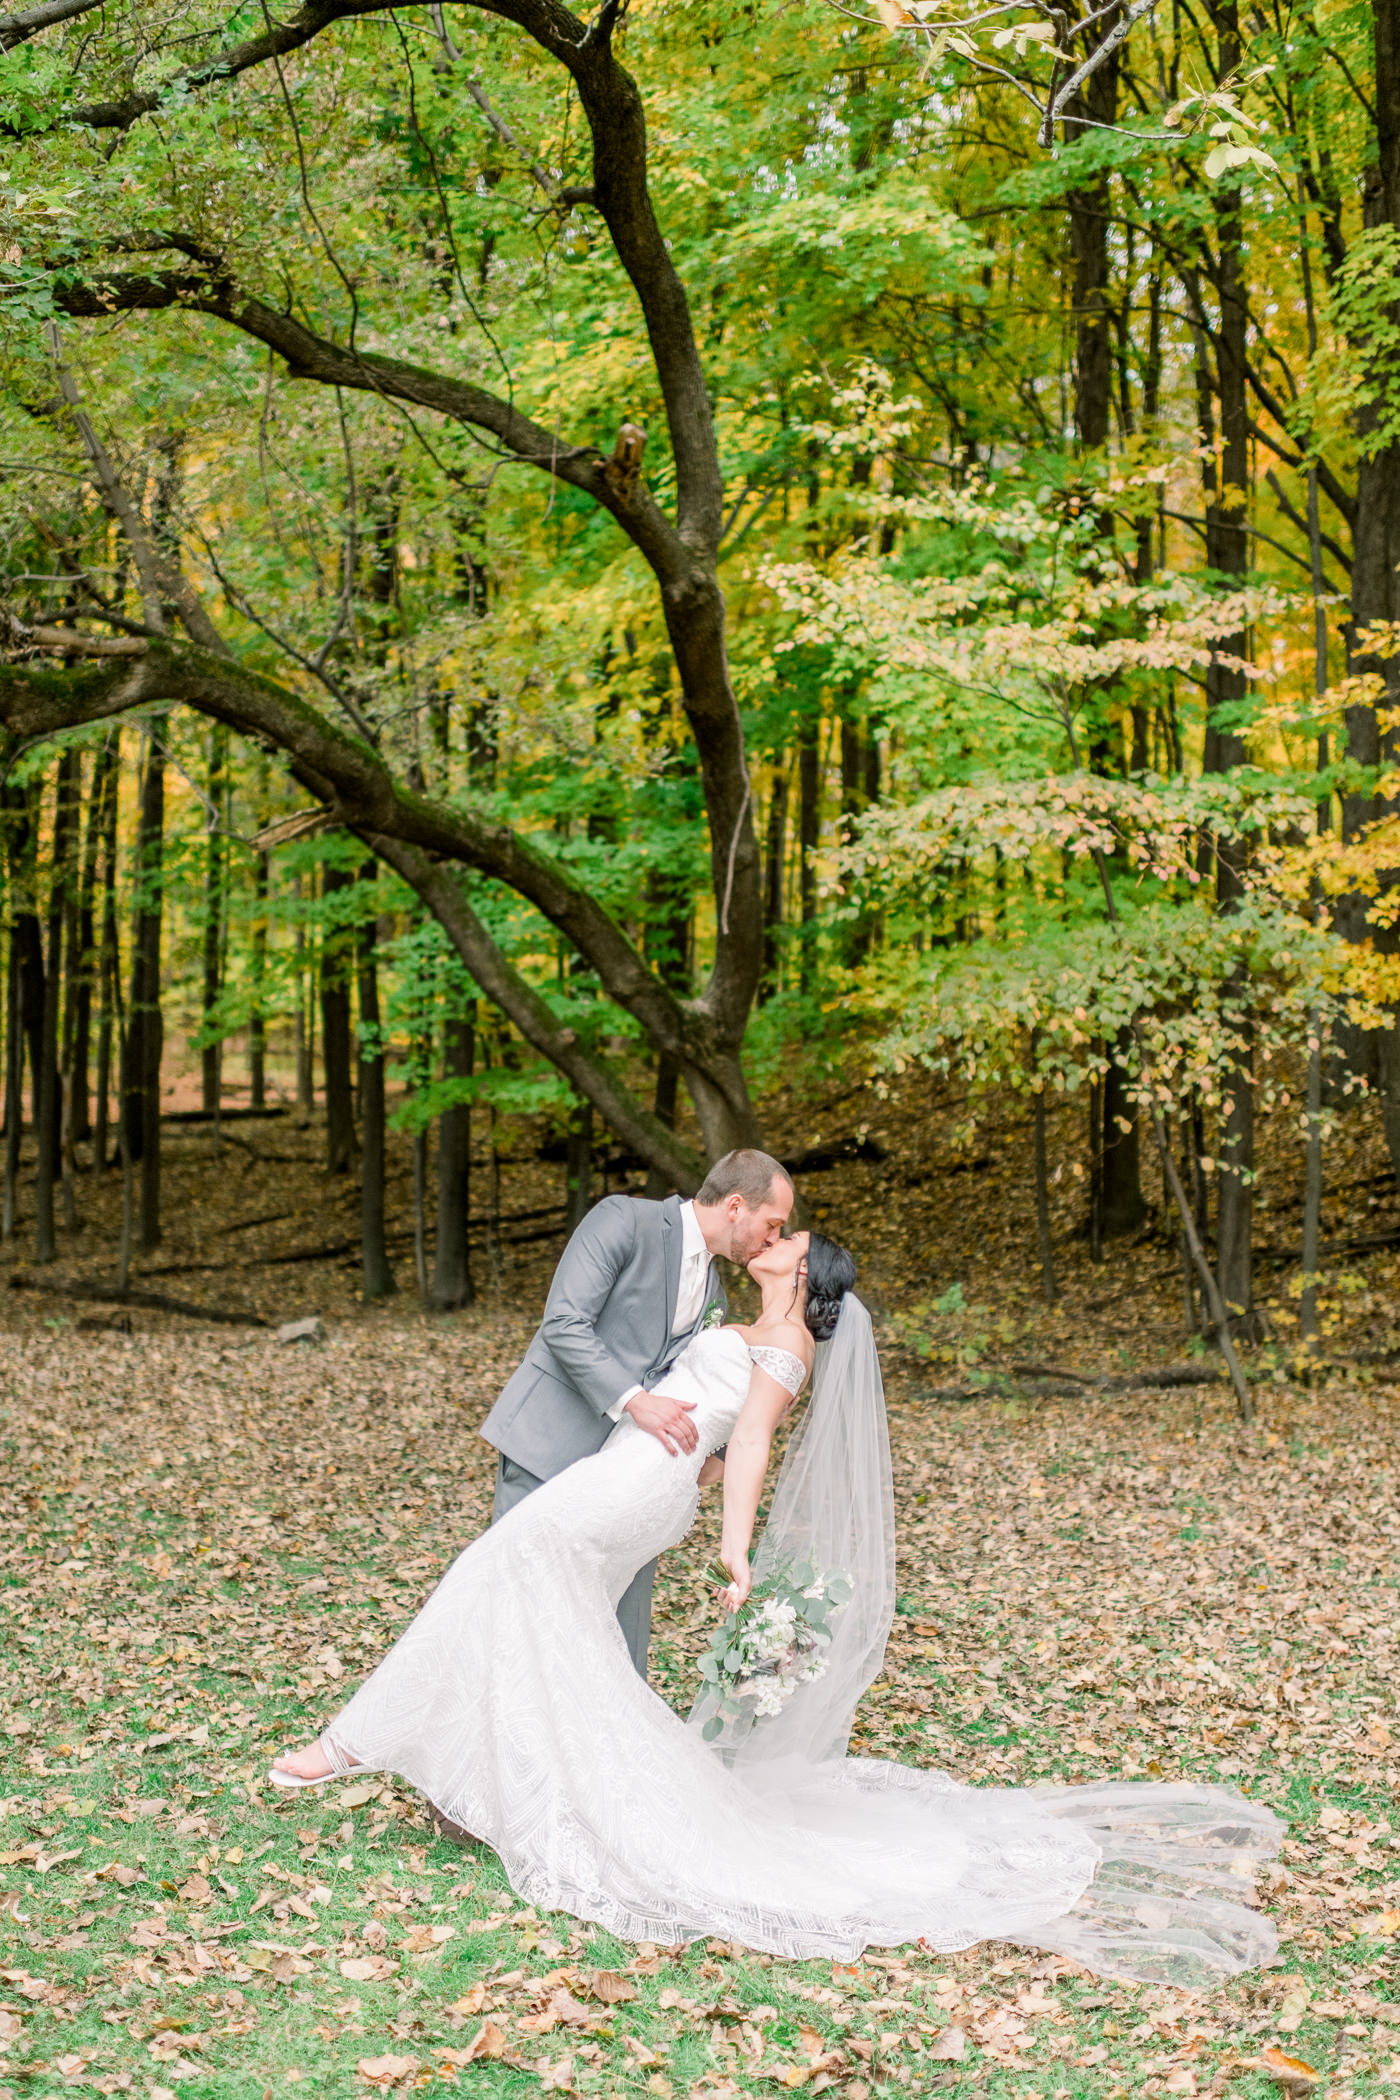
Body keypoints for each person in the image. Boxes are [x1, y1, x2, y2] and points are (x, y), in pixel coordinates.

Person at [269, 1228, 1282, 1987]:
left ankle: (357, 1741)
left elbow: (748, 1442)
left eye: (788, 1240)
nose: (771, 1241)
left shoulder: (784, 1344)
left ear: (802, 1274)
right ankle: (516, 1776)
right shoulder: (750, 1323)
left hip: (636, 1487)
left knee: (491, 1573)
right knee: (535, 1614)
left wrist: (731, 1544)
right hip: (632, 1473)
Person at [477, 1146, 793, 1675]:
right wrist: (636, 1402)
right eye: (773, 1223)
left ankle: (610, 1753)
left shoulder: (715, 1289)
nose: (775, 1239)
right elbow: (564, 1324)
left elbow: (700, 1381)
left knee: (620, 1642)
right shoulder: (624, 1219)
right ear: (736, 1205)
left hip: (633, 1481)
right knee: (517, 1614)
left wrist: (710, 1456)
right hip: (549, 1448)